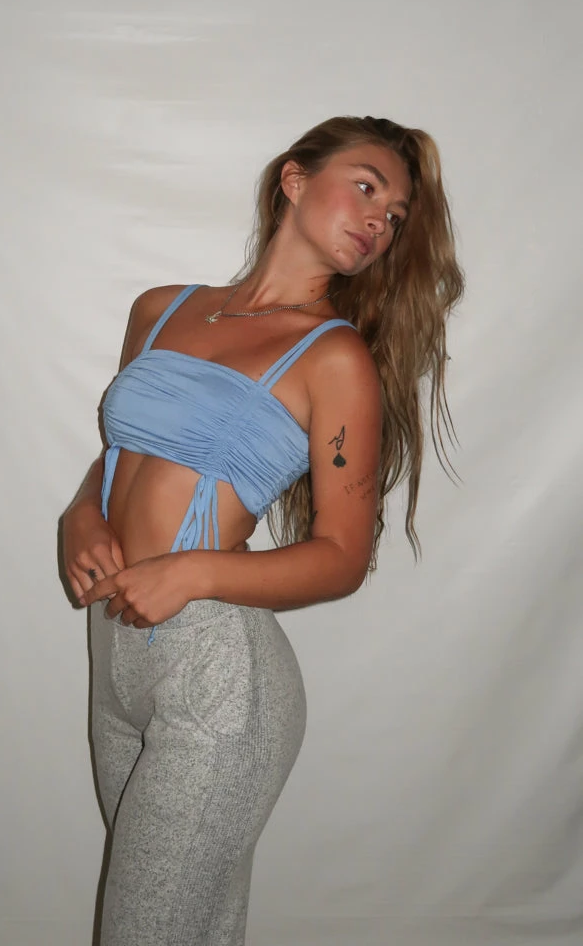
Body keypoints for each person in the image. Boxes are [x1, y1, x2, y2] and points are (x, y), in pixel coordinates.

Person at [61, 115, 464, 946]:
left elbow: (341, 558)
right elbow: (123, 454)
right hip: (116, 657)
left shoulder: (332, 357)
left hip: (218, 671)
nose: (379, 221)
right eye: (366, 188)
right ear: (294, 179)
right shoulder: (160, 309)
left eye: (394, 216)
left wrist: (194, 572)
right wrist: (80, 515)